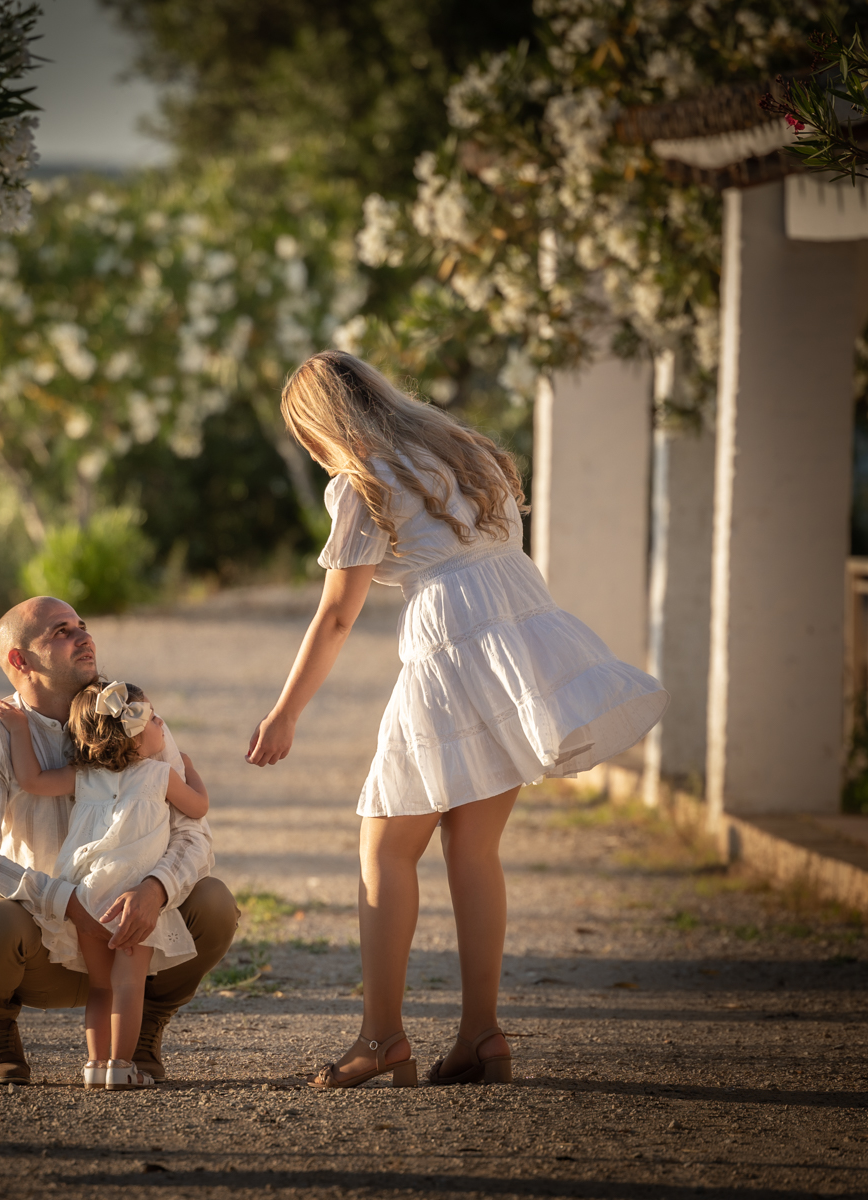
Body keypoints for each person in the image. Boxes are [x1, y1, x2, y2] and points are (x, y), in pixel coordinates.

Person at [246, 350, 668, 1090]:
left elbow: (338, 614)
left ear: (321, 428)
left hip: (451, 648)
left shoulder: (362, 481)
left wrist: (285, 712)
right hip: (517, 641)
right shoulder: (469, 454)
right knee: (474, 850)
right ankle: (482, 1035)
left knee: (386, 847)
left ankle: (381, 1040)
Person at [0, 596, 239, 1086]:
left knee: (214, 903)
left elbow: (194, 835)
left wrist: (155, 889)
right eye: (60, 631)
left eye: (82, 625)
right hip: (45, 939)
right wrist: (64, 901)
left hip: (134, 933)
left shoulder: (133, 719)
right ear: (20, 660)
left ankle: (141, 1037)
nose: (84, 636)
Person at [0, 680, 209, 1090]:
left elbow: (32, 779)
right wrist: (190, 773)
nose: (161, 723)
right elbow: (198, 807)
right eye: (154, 717)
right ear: (138, 733)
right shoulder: (161, 775)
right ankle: (123, 1066)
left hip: (87, 896)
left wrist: (19, 730)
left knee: (102, 986)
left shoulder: (84, 777)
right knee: (129, 985)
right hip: (133, 898)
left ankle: (95, 1066)